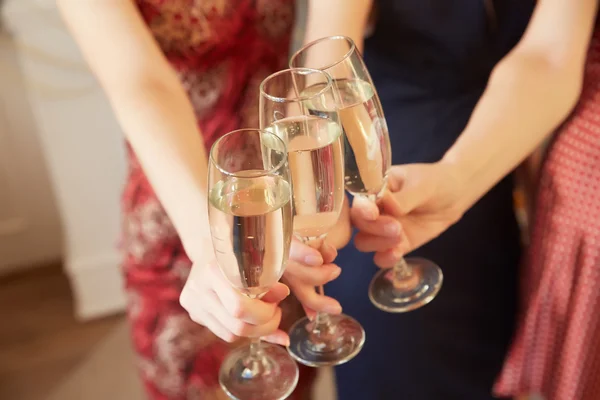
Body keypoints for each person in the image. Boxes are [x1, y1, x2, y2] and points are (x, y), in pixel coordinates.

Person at [57, 1, 352, 398]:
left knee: (289, 373)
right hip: (181, 204)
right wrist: (213, 243)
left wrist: (318, 178)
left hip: (283, 194)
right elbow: (141, 81)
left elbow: (321, 58)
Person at [346, 0, 598, 399]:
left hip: (511, 127)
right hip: (402, 115)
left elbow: (550, 54)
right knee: (394, 310)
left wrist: (457, 180)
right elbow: (328, 51)